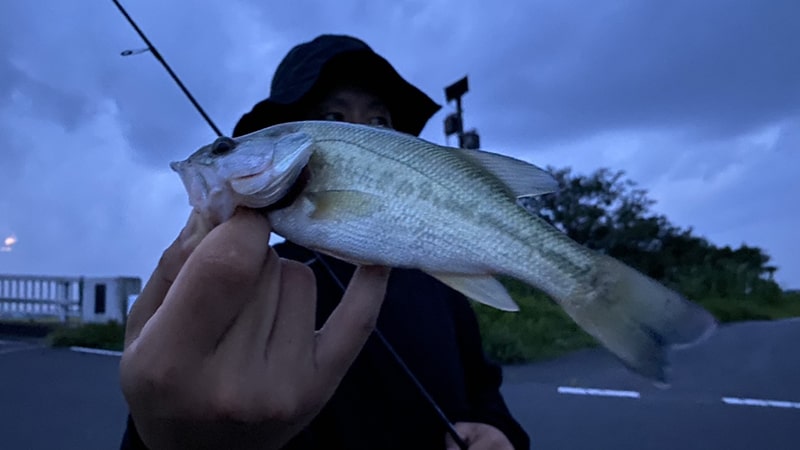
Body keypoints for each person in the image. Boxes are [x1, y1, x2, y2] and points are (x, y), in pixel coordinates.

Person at [120, 34, 529, 450]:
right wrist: (166, 434)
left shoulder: (440, 277)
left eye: (379, 123)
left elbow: (481, 384)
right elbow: (184, 399)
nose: (357, 134)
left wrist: (498, 430)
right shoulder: (246, 284)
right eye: (332, 116)